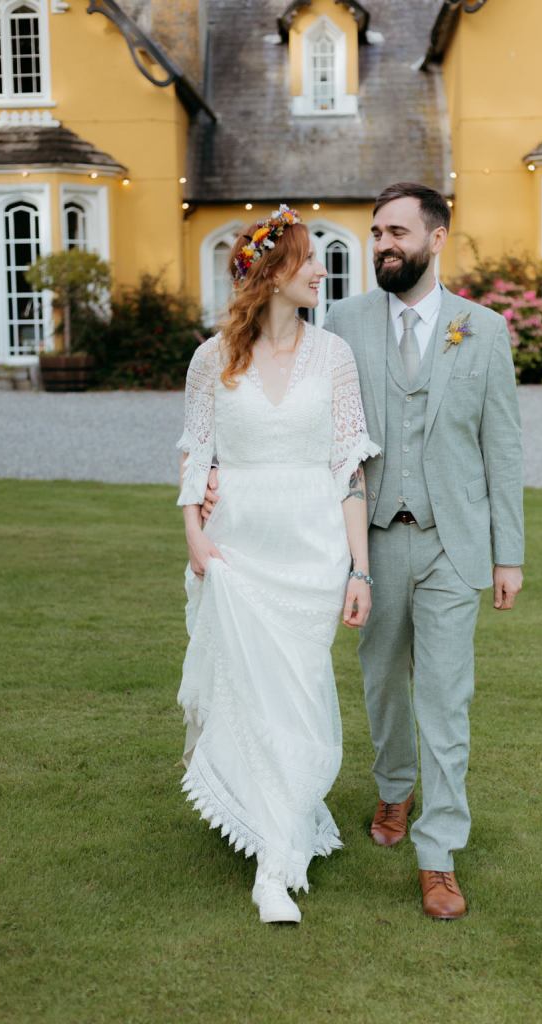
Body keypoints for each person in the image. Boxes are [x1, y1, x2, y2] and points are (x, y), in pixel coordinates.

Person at [202, 183, 524, 920]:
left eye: (396, 232)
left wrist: (508, 554)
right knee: (380, 684)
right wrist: (223, 468)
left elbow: (501, 450)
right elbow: (270, 382)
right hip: (369, 540)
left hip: (452, 541)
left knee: (446, 697)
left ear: (436, 239)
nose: (382, 244)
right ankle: (393, 787)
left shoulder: (484, 330)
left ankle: (437, 854)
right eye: (375, 231)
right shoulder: (339, 323)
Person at [175, 204, 380, 925]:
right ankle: (273, 863)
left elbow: (348, 466)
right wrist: (196, 539)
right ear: (269, 273)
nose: (321, 269)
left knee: (297, 696)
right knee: (248, 696)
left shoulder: (334, 357)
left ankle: (283, 823)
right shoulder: (212, 359)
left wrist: (360, 568)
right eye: (307, 257)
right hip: (237, 547)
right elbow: (195, 453)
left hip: (312, 549)